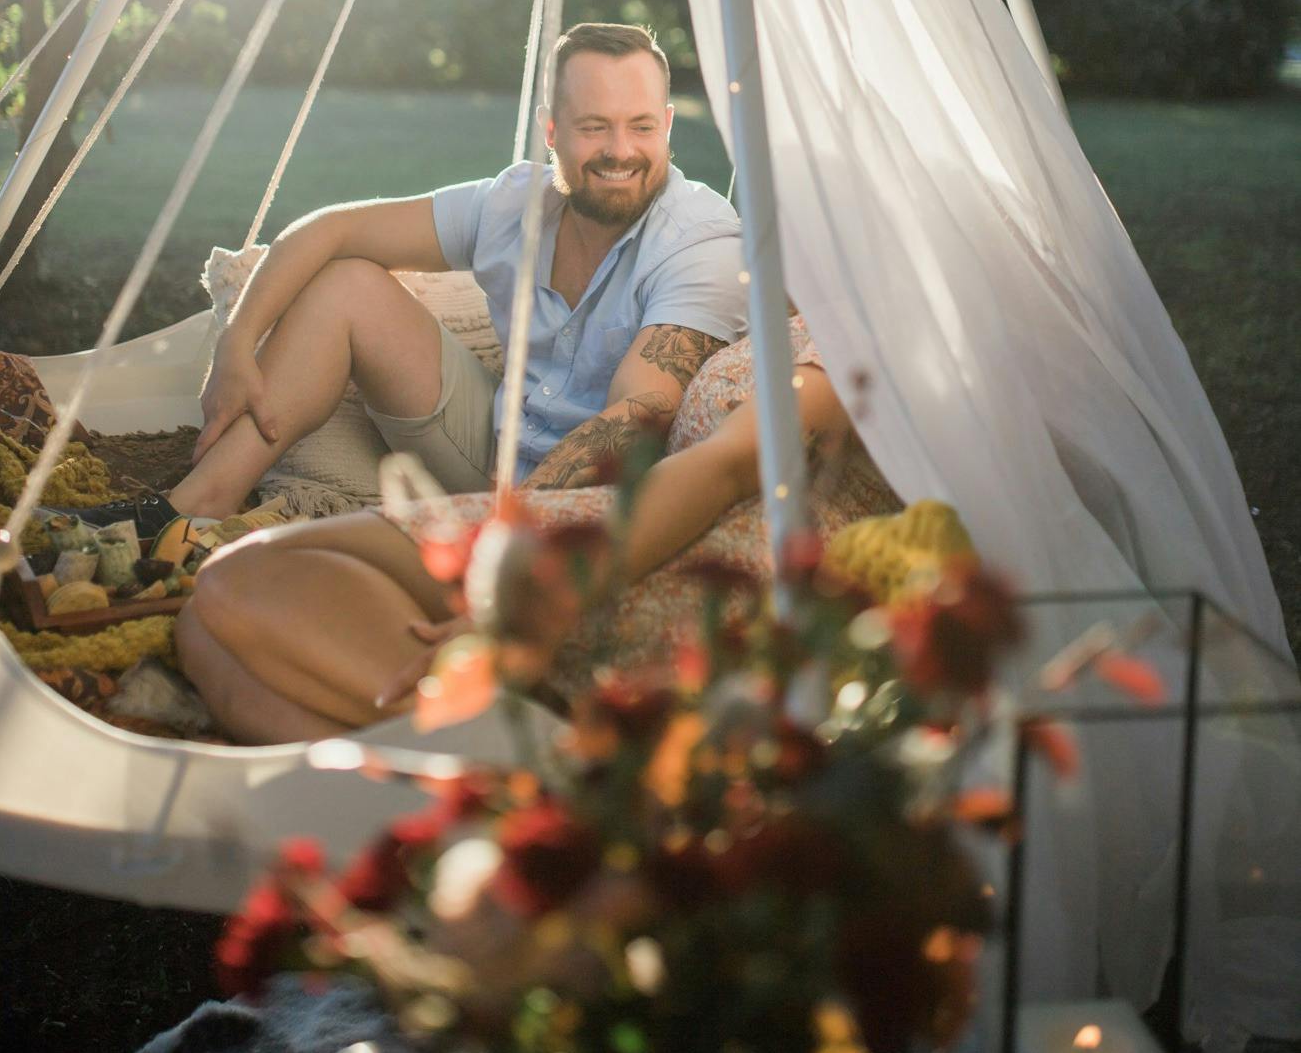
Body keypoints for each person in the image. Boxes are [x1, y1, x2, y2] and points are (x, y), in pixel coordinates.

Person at [82, 23, 747, 541]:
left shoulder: (701, 240)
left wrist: (500, 530)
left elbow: (640, 413)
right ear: (552, 131)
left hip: (596, 505)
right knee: (347, 282)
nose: (620, 151)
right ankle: (194, 506)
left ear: (666, 126)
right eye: (594, 126)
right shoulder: (514, 204)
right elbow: (333, 229)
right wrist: (236, 342)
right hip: (491, 445)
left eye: (641, 126)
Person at [175, 313, 900, 742]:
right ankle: (454, 791)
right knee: (203, 631)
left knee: (243, 579)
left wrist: (533, 610)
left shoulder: (854, 336)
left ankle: (535, 773)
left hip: (699, 562)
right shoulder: (789, 309)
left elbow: (726, 467)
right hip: (650, 523)